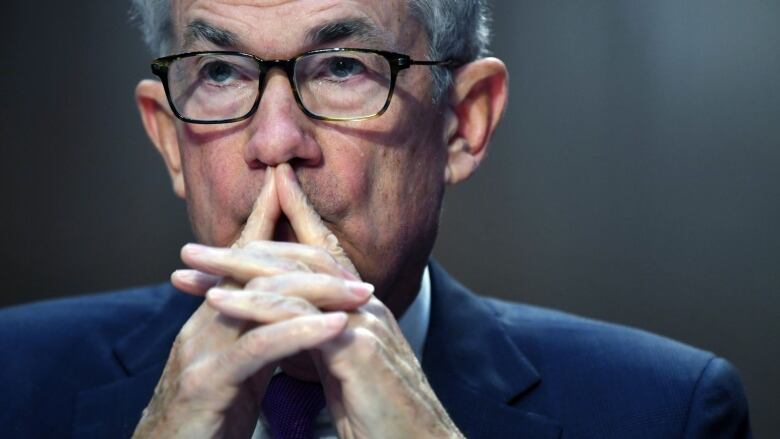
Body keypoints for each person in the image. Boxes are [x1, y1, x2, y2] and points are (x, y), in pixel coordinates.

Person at [0, 0, 751, 438]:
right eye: (221, 73)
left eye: (342, 68)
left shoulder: (665, 411)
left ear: (463, 122)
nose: (275, 144)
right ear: (169, 139)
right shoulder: (13, 379)